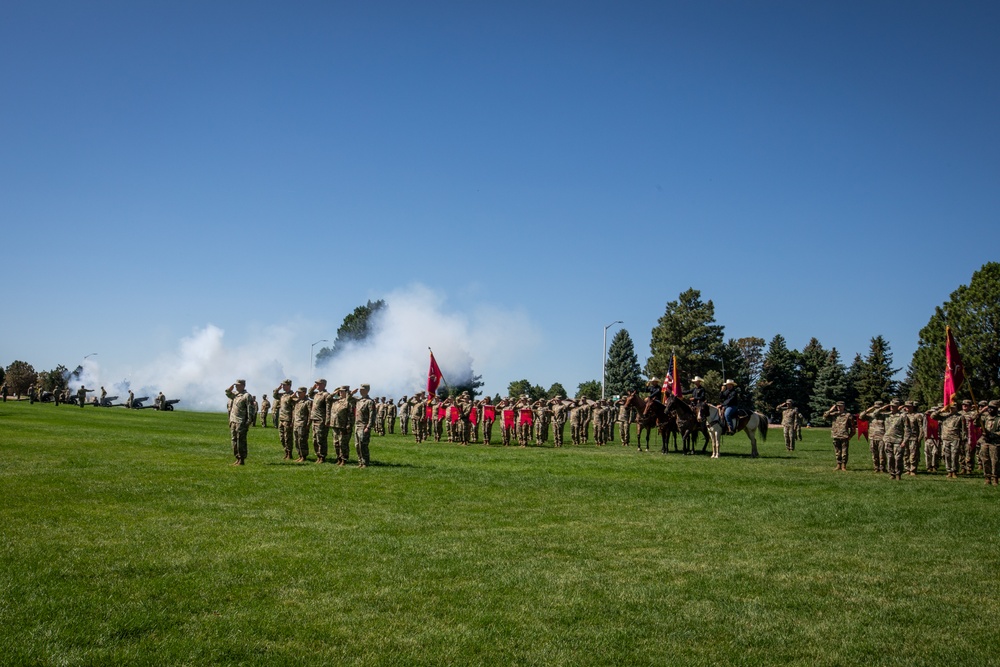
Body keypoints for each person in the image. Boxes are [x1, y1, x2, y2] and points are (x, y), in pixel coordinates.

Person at [930, 402, 966, 479]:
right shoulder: (944, 416)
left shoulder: (960, 417)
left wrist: (963, 439)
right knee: (946, 456)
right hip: (945, 438)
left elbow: (963, 429)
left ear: (956, 408)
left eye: (953, 407)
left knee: (955, 455)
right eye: (950, 407)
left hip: (955, 438)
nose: (952, 409)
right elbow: (932, 416)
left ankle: (954, 471)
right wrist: (940, 410)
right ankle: (949, 471)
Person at [225, 379, 253, 465]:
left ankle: (242, 459)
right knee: (234, 440)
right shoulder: (235, 394)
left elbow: (250, 409)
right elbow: (227, 392)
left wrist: (249, 421)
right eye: (235, 385)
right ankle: (237, 458)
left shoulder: (246, 396)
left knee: (240, 441)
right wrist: (231, 387)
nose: (236, 386)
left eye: (238, 385)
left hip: (241, 421)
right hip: (233, 421)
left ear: (243, 385)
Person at [823, 401, 856, 471]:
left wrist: (850, 435)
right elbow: (824, 417)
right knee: (837, 452)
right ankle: (838, 465)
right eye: (837, 406)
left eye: (840, 406)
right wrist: (830, 410)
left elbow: (853, 427)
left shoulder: (848, 415)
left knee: (844, 452)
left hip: (844, 436)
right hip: (836, 435)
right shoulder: (834, 414)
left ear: (843, 406)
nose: (839, 407)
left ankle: (844, 466)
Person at [975, 400, 1000, 486]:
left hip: (995, 443)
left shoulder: (999, 419)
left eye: (992, 408)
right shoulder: (985, 417)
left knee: (995, 461)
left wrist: (991, 434)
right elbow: (976, 424)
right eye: (989, 408)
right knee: (985, 460)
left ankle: (995, 478)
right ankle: (987, 477)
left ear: (996, 409)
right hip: (985, 442)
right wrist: (978, 415)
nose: (990, 410)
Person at [330, 385, 356, 466]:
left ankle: (344, 459)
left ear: (347, 392)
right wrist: (334, 392)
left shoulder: (349, 401)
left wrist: (349, 425)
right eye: (339, 391)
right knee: (336, 443)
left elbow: (351, 415)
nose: (340, 393)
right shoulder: (336, 401)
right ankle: (338, 458)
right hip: (335, 425)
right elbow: (328, 398)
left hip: (343, 426)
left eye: (342, 391)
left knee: (343, 444)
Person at [861, 401, 888, 472]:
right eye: (875, 407)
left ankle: (882, 468)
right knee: (874, 454)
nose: (876, 409)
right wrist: (869, 409)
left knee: (882, 454)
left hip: (882, 437)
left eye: (878, 408)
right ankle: (876, 467)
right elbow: (861, 416)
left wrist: (881, 410)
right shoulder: (871, 415)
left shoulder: (885, 415)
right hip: (873, 437)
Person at [354, 384, 376, 467]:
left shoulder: (370, 402)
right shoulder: (359, 400)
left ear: (367, 390)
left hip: (364, 425)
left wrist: (368, 427)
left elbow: (372, 415)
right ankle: (360, 461)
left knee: (363, 445)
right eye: (360, 389)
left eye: (362, 389)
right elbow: (348, 399)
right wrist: (352, 393)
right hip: (357, 425)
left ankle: (365, 462)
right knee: (357, 445)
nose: (360, 391)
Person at [292, 386, 312, 462]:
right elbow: (289, 400)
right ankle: (299, 455)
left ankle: (304, 456)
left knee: (302, 441)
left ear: (304, 393)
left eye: (300, 393)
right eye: (298, 393)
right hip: (296, 424)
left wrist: (308, 424)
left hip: (303, 424)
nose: (298, 394)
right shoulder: (297, 401)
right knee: (296, 441)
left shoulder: (307, 402)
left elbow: (310, 414)